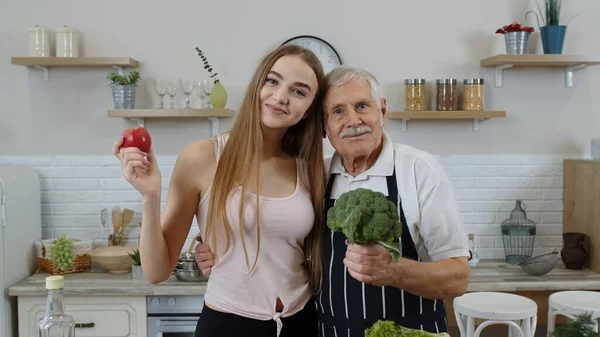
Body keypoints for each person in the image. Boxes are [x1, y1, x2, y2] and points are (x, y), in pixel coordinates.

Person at [195, 66, 472, 337]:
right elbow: (282, 241)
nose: (353, 121)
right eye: (338, 111)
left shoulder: (418, 169)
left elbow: (459, 277)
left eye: (362, 106)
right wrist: (218, 244)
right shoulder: (314, 174)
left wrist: (394, 270)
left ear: (383, 111)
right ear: (324, 127)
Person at [113, 44, 328, 337]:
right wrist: (150, 197)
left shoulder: (310, 169)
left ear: (307, 111)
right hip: (228, 324)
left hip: (301, 321)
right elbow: (156, 271)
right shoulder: (203, 157)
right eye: (272, 81)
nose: (280, 97)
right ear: (257, 85)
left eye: (299, 91)